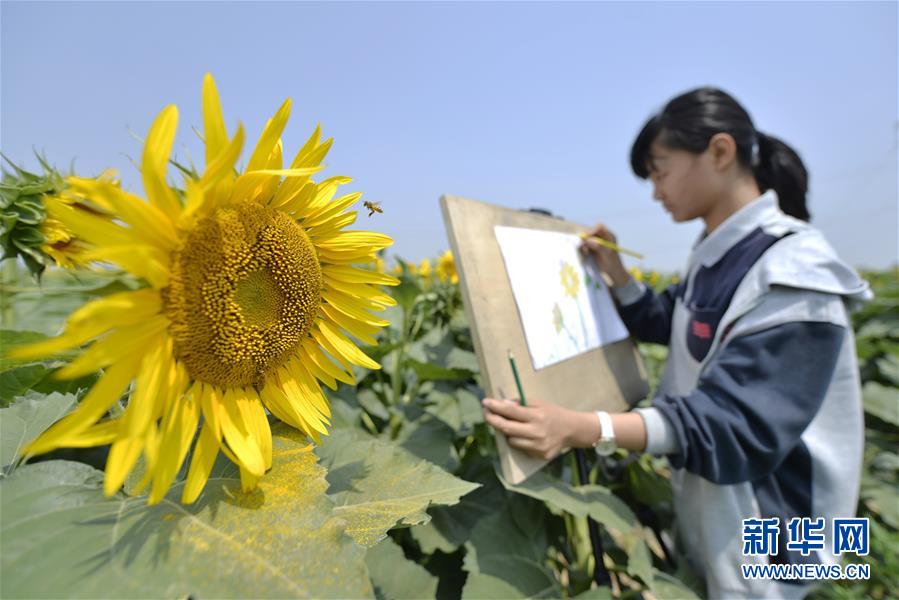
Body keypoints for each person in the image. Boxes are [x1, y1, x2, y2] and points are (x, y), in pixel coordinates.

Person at [481, 87, 872, 599]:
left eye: (660, 171)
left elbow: (733, 423)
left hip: (775, 533)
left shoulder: (795, 273)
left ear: (720, 152)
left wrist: (584, 426)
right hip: (720, 509)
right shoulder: (719, 253)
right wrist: (619, 279)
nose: (655, 192)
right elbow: (682, 327)